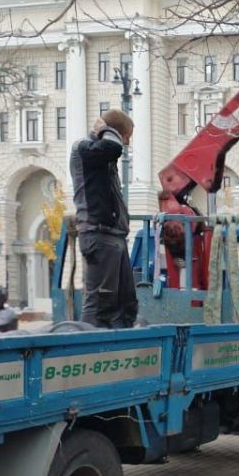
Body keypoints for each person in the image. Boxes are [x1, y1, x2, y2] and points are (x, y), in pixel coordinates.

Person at [70, 109, 138, 329]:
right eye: (126, 136)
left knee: (125, 303)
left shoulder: (102, 155)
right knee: (101, 305)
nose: (126, 143)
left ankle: (120, 352)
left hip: (113, 237)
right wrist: (106, 131)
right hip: (98, 235)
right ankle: (90, 352)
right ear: (115, 133)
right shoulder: (85, 148)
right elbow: (113, 147)